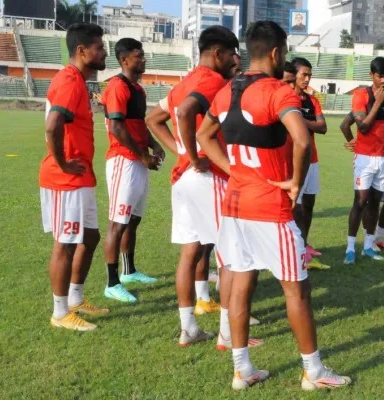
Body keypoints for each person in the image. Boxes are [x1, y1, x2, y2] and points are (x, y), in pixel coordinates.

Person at [196, 20, 351, 391]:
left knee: (240, 285)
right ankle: (313, 372)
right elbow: (301, 138)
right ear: (278, 53)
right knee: (297, 290)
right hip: (270, 209)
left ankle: (241, 369)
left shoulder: (226, 91)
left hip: (234, 208)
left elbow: (203, 136)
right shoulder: (278, 92)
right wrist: (295, 182)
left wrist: (233, 170)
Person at [146, 25, 238, 347]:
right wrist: (195, 156)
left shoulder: (182, 82)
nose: (232, 62)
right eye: (230, 55)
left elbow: (154, 119)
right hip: (205, 176)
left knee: (189, 253)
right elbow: (185, 112)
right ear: (217, 53)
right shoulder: (212, 80)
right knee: (229, 254)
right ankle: (229, 332)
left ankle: (189, 328)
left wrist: (181, 152)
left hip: (183, 179)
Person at [40, 22, 109, 331]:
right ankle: (59, 312)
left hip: (81, 178)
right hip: (65, 178)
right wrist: (64, 164)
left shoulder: (78, 81)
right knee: (65, 245)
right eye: (99, 47)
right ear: (82, 51)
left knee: (90, 237)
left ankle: (75, 298)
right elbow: (53, 124)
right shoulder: (69, 81)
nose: (104, 51)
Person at [100, 38, 163, 303]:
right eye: (139, 56)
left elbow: (138, 125)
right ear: (125, 59)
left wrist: (154, 145)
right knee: (118, 222)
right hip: (123, 161)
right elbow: (117, 128)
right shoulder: (116, 86)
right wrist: (141, 155)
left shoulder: (138, 89)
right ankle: (112, 283)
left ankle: (128, 271)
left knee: (133, 219)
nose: (144, 59)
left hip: (138, 161)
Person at [343, 57, 384, 264]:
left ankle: (368, 246)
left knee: (375, 203)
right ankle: (350, 248)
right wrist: (377, 103)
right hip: (365, 159)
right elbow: (363, 127)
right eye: (380, 76)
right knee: (360, 202)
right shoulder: (361, 95)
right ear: (371, 75)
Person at [290, 57, 330, 269]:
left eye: (309, 75)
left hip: (312, 160)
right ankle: (294, 248)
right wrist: (307, 122)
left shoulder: (311, 101)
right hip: (293, 160)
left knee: (308, 205)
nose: (307, 79)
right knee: (293, 207)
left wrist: (297, 119)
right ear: (293, 75)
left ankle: (304, 244)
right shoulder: (286, 98)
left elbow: (323, 127)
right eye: (303, 75)